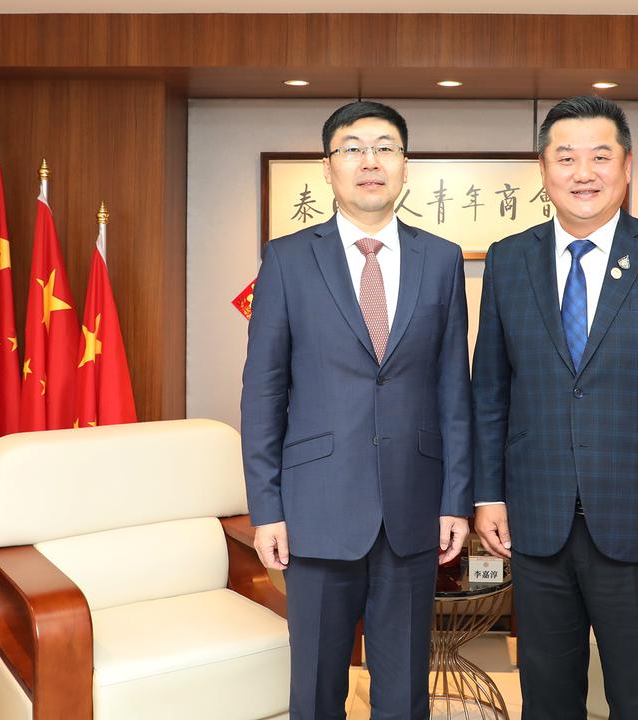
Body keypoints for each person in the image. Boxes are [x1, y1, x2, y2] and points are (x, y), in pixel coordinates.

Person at [472, 95, 638, 719]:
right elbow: (491, 391)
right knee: (546, 695)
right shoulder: (508, 260)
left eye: (600, 157)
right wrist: (488, 495)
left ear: (627, 165)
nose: (583, 173)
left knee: (637, 696)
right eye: (565, 158)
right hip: (536, 516)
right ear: (543, 169)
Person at [241, 100, 472, 720]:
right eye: (353, 148)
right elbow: (263, 393)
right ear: (328, 167)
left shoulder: (441, 259)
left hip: (413, 506)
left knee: (404, 694)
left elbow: (454, 389)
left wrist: (456, 499)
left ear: (405, 166)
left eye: (385, 148)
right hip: (314, 509)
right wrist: (267, 509)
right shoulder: (287, 258)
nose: (370, 161)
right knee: (317, 691)